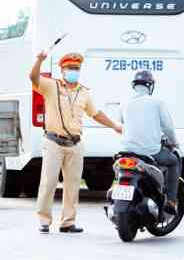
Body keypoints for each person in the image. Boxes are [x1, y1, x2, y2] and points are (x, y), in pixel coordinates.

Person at [29, 50, 122, 234]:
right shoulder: (51, 86)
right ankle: (44, 220)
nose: (74, 71)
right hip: (53, 142)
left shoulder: (83, 92)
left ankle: (68, 222)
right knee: (48, 183)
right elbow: (33, 78)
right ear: (62, 70)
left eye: (76, 68)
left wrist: (114, 126)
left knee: (73, 185)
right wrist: (39, 60)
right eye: (70, 68)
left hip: (75, 143)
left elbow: (95, 114)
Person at [119, 70, 181, 215]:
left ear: (134, 85)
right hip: (151, 151)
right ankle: (171, 200)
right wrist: (174, 143)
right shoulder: (157, 102)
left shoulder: (124, 101)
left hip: (128, 150)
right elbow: (167, 127)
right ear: (150, 86)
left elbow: (122, 120)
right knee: (174, 162)